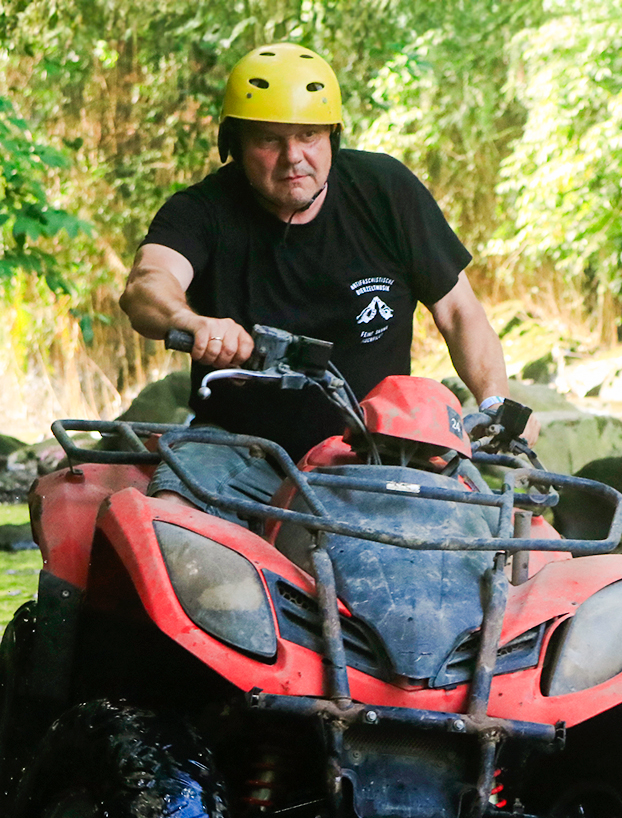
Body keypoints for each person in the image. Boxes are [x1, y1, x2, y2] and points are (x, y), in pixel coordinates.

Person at [119, 41, 515, 520]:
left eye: (309, 135)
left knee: (490, 527)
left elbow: (458, 311)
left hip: (382, 445)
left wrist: (495, 403)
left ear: (332, 137)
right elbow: (148, 284)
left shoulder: (385, 190)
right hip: (240, 446)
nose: (294, 157)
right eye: (269, 140)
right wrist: (192, 321)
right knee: (174, 515)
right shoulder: (201, 211)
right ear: (236, 146)